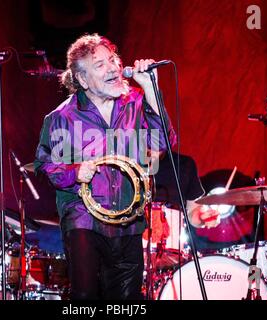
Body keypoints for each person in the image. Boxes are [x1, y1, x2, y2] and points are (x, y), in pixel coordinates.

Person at [33, 33, 177, 300]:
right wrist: (75, 172)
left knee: (127, 300)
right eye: (100, 65)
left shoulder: (135, 101)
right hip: (84, 219)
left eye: (113, 59)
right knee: (86, 297)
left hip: (128, 220)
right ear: (83, 80)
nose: (113, 67)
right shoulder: (60, 117)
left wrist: (151, 88)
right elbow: (43, 164)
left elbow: (164, 141)